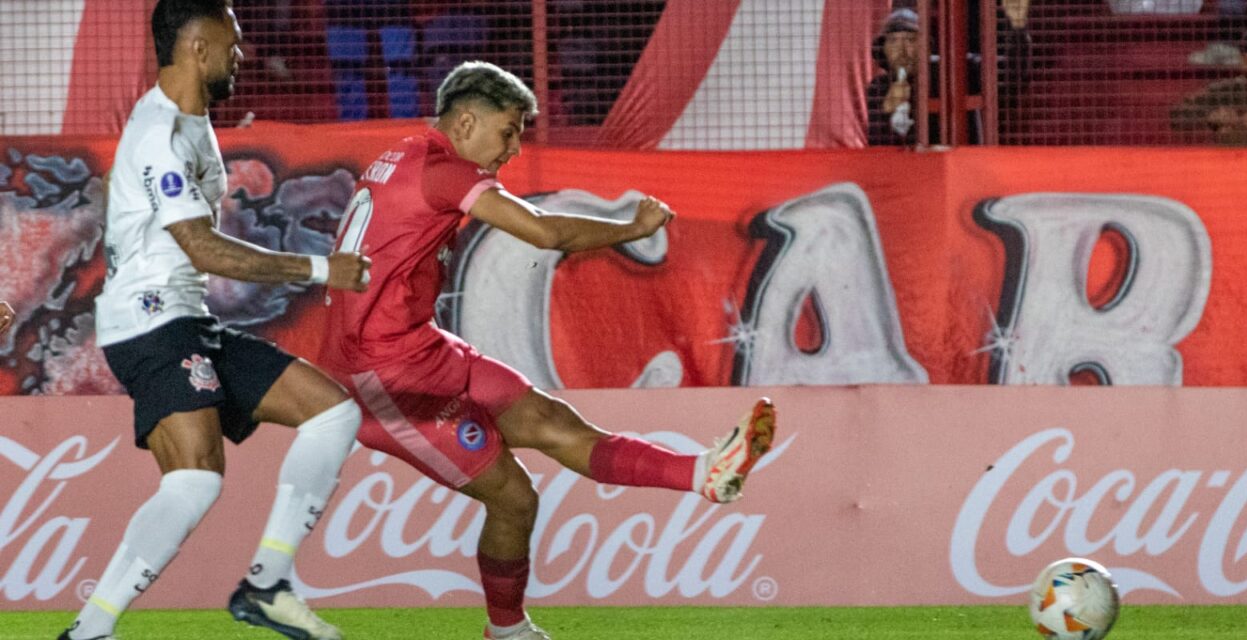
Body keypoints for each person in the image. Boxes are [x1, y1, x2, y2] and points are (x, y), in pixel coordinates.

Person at [319, 61, 777, 640]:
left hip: (420, 347)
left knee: (553, 423)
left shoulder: (404, 154)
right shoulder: (443, 170)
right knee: (514, 498)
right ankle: (507, 631)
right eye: (509, 132)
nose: (513, 149)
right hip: (382, 375)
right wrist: (632, 229)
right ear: (466, 123)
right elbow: (545, 233)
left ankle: (705, 474)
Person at [60, 2, 371, 639]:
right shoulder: (161, 134)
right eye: (233, 43)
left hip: (184, 318)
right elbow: (203, 249)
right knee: (195, 480)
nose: (242, 55)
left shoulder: (188, 121)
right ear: (198, 47)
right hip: (148, 323)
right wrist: (321, 270)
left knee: (333, 414)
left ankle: (266, 585)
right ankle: (90, 631)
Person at [866, 1, 1033, 146]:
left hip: (960, 164)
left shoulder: (954, 72)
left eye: (910, 40)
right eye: (893, 41)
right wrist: (890, 112)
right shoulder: (878, 88)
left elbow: (1012, 73)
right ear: (883, 49)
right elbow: (879, 146)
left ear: (925, 46)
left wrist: (1018, 27)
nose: (901, 50)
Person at [1173, 25, 1247, 146]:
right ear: (1243, 61)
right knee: (1228, 131)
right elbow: (1178, 115)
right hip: (1236, 155)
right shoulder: (1225, 90)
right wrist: (1211, 116)